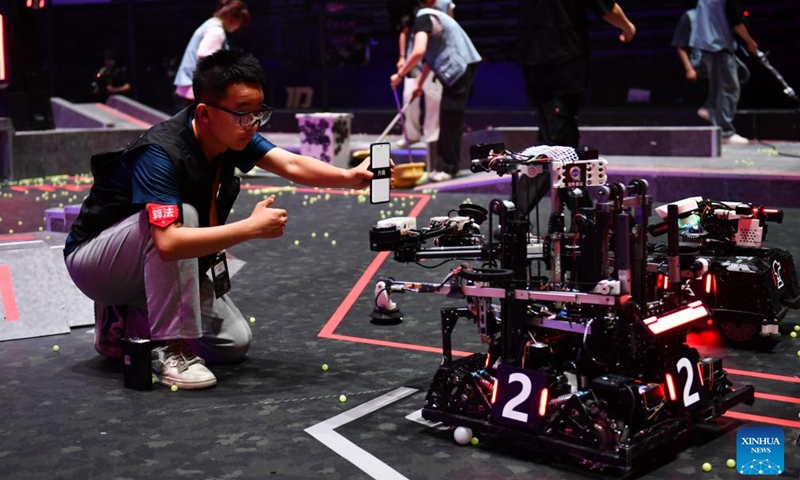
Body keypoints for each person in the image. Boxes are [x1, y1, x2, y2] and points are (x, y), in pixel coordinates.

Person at [64, 49, 378, 390]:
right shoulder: (160, 153)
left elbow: (290, 164)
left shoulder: (233, 134)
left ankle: (126, 319)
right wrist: (250, 228)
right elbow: (168, 242)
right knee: (182, 216)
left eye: (259, 113)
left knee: (232, 342)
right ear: (204, 112)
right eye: (243, 114)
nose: (253, 124)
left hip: (148, 262)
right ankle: (172, 350)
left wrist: (350, 177)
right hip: (95, 263)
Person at [515, 0, 635, 216]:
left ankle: (585, 215)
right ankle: (513, 217)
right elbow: (607, 8)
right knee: (553, 146)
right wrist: (628, 27)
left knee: (567, 145)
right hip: (561, 62)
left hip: (535, 63)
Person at [390, 0, 481, 183]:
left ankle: (448, 167)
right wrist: (418, 86)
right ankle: (447, 166)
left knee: (450, 117)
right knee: (448, 117)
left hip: (460, 66)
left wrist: (400, 74)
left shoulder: (423, 17)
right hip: (461, 67)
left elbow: (418, 52)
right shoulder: (427, 17)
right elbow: (428, 60)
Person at [689, 0, 758, 145]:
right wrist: (750, 42)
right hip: (718, 45)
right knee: (729, 88)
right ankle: (725, 132)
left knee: (728, 81)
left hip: (706, 45)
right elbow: (736, 21)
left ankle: (710, 109)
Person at [390, 0, 454, 148]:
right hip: (415, 59)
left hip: (436, 59)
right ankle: (411, 135)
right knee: (408, 96)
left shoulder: (446, 4)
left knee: (433, 97)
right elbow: (405, 31)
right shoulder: (415, 5)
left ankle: (431, 137)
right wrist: (402, 57)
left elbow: (451, 28)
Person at [672, 8, 750, 124]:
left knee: (742, 73)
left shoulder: (718, 15)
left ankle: (713, 108)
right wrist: (689, 68)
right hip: (700, 61)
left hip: (718, 56)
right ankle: (717, 117)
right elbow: (680, 44)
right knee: (724, 71)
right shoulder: (691, 16)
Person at [173, 0, 251, 106]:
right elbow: (206, 58)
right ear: (231, 17)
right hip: (193, 91)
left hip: (188, 89)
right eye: (240, 23)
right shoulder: (216, 31)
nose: (238, 27)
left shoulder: (210, 24)